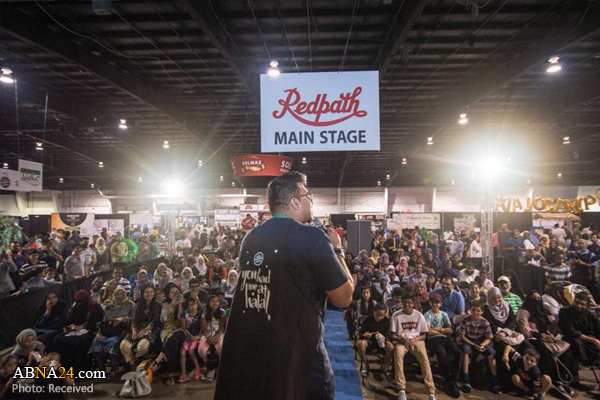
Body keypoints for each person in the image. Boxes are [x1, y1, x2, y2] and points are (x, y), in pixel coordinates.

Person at [214, 172, 353, 400]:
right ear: (294, 202)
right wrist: (338, 250)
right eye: (307, 195)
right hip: (302, 363)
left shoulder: (251, 239)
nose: (311, 201)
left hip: (260, 362)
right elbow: (344, 297)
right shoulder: (313, 238)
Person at [390, 294, 437, 400]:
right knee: (398, 354)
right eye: (405, 302)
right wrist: (400, 339)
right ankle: (401, 388)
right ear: (402, 303)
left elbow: (424, 335)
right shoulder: (396, 315)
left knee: (424, 358)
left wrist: (415, 339)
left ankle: (431, 391)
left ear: (413, 304)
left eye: (409, 303)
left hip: (416, 340)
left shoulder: (419, 315)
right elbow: (392, 334)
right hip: (401, 341)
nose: (407, 305)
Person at [52, 289, 104, 373]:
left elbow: (98, 322)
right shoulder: (75, 306)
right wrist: (68, 327)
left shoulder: (95, 307)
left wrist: (83, 326)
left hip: (90, 331)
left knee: (78, 343)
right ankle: (63, 367)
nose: (80, 303)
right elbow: (69, 320)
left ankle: (79, 369)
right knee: (58, 339)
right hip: (74, 331)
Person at [89, 286, 134, 378]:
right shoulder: (109, 306)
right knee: (95, 342)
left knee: (113, 343)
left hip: (122, 330)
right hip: (107, 331)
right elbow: (103, 321)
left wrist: (122, 319)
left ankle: (115, 368)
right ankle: (100, 368)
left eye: (122, 294)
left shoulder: (130, 304)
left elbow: (134, 319)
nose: (119, 296)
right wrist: (99, 332)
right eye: (117, 294)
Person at [424, 292, 462, 397]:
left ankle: (453, 379)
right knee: (441, 353)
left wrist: (438, 329)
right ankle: (447, 379)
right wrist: (442, 331)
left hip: (444, 338)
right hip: (433, 340)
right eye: (433, 302)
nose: (435, 304)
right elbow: (429, 332)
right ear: (430, 303)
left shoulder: (444, 314)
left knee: (458, 353)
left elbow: (450, 330)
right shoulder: (427, 315)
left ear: (440, 304)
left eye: (437, 302)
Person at [458, 302, 501, 394]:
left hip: (480, 342)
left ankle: (495, 379)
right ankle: (466, 378)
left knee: (491, 354)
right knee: (466, 352)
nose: (475, 312)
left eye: (478, 311)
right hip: (468, 341)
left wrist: (483, 345)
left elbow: (489, 338)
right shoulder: (465, 320)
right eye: (473, 310)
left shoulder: (485, 322)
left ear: (482, 312)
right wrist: (473, 345)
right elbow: (462, 336)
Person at [558, 293, 600, 379]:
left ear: (587, 305)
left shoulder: (591, 314)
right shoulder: (565, 312)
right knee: (576, 343)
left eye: (582, 304)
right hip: (570, 337)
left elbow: (598, 330)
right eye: (576, 302)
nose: (578, 306)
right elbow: (571, 331)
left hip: (587, 339)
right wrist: (594, 340)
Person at [120, 285, 161, 368]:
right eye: (146, 292)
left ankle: (139, 365)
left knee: (141, 347)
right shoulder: (137, 306)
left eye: (151, 292)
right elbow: (133, 320)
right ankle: (133, 365)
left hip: (150, 331)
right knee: (124, 346)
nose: (149, 294)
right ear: (142, 294)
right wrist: (134, 331)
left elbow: (154, 321)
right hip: (137, 330)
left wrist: (144, 331)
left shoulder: (158, 305)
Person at [153, 283, 187, 386]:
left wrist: (180, 304)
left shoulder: (185, 303)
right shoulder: (165, 305)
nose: (175, 294)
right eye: (172, 293)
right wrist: (172, 305)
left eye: (177, 292)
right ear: (168, 295)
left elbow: (181, 319)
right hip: (167, 329)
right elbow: (163, 319)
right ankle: (170, 374)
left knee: (175, 336)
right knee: (172, 344)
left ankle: (159, 359)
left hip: (181, 329)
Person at [357, 303, 393, 379]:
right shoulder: (367, 319)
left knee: (391, 347)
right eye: (377, 315)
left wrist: (384, 337)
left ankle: (384, 366)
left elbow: (389, 335)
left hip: (382, 342)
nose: (379, 317)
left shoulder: (387, 321)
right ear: (373, 311)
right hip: (370, 341)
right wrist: (365, 334)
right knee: (361, 343)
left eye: (382, 316)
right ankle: (365, 364)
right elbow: (360, 334)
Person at [198, 295, 227, 370]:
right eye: (212, 301)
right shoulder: (205, 312)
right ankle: (205, 361)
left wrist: (217, 336)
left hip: (218, 333)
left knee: (221, 347)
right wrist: (208, 336)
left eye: (217, 301)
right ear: (209, 303)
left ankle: (220, 364)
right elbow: (203, 328)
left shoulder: (222, 312)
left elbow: (221, 327)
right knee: (201, 350)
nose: (215, 303)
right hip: (206, 333)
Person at [179, 297, 203, 382]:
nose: (193, 307)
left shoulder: (200, 314)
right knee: (182, 353)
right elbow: (184, 327)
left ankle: (197, 368)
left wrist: (198, 336)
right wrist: (189, 336)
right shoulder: (184, 314)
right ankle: (183, 372)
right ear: (187, 306)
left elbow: (202, 327)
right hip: (188, 337)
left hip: (197, 336)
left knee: (191, 351)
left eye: (195, 304)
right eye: (190, 305)